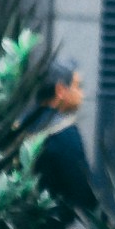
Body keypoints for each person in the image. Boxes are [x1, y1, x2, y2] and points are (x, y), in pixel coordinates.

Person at [30, 62, 98, 217]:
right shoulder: (63, 131)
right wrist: (102, 222)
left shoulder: (20, 125)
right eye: (78, 87)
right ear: (60, 90)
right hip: (49, 224)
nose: (82, 95)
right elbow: (78, 182)